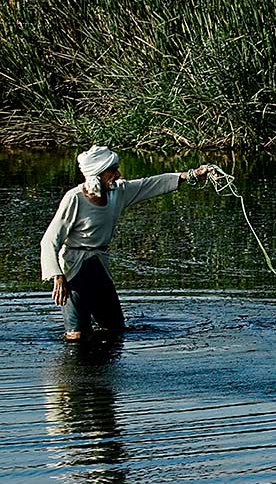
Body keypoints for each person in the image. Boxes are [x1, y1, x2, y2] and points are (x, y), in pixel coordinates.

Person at [40, 145, 211, 341]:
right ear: (97, 174)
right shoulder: (75, 198)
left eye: (116, 168)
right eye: (112, 170)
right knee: (76, 335)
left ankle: (105, 367)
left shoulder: (117, 192)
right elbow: (50, 240)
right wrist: (57, 276)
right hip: (74, 268)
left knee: (115, 329)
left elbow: (149, 184)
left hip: (99, 264)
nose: (117, 174)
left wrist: (191, 175)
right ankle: (77, 370)